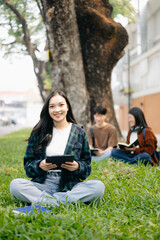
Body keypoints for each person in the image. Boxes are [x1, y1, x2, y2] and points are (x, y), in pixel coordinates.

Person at [10, 90, 105, 206]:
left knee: (98, 187)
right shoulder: (38, 132)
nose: (57, 110)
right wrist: (40, 165)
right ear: (48, 109)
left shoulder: (79, 132)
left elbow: (86, 168)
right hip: (42, 184)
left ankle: (47, 201)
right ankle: (61, 201)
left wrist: (77, 166)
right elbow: (28, 166)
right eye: (52, 106)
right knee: (15, 185)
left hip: (70, 185)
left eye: (61, 105)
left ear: (68, 107)